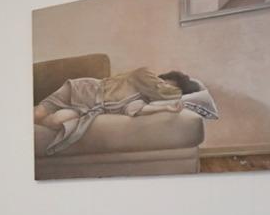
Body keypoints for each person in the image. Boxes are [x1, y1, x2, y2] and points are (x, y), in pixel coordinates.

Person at [34, 66, 203, 155]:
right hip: (81, 90)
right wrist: (185, 91)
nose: (164, 87)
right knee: (38, 114)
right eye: (165, 82)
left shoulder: (140, 100)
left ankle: (41, 120)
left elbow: (138, 110)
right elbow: (162, 90)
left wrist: (166, 107)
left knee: (58, 121)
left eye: (170, 87)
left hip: (84, 109)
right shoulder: (143, 74)